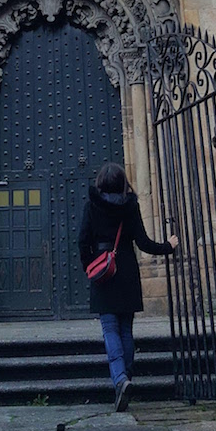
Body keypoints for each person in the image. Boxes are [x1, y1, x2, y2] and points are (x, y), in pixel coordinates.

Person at [78, 161, 178, 412]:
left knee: (109, 329)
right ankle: (127, 378)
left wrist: (91, 266)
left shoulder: (92, 206)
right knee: (125, 330)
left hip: (104, 271)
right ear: (122, 182)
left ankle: (120, 379)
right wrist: (168, 246)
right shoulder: (130, 206)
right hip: (127, 271)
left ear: (100, 182)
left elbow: (82, 242)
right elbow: (143, 242)